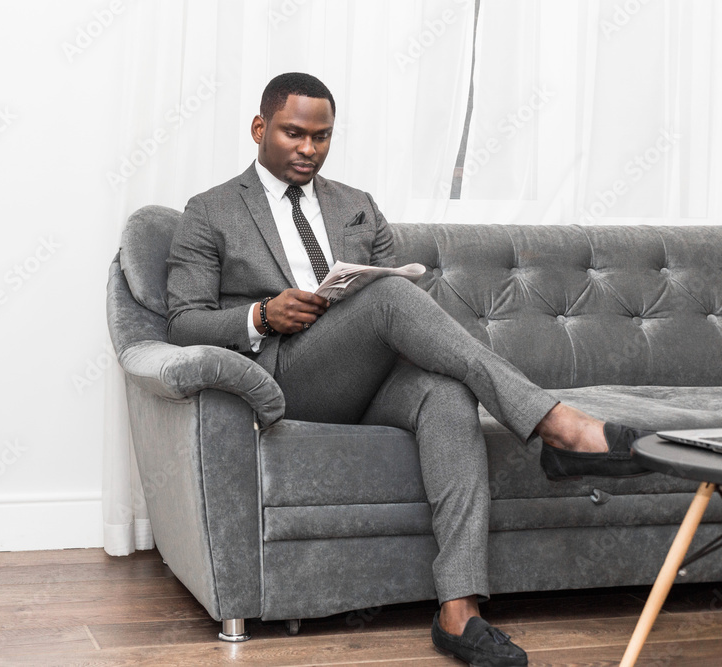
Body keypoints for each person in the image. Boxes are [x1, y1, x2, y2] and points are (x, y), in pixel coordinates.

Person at [166, 72, 650, 667]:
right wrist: (262, 315)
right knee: (389, 301)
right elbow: (182, 323)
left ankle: (459, 611)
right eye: (294, 134)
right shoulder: (210, 211)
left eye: (321, 137)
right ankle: (556, 424)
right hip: (286, 376)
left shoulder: (357, 205)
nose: (308, 149)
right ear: (260, 129)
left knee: (445, 392)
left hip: (366, 378)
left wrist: (382, 302)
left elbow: (394, 298)